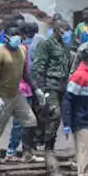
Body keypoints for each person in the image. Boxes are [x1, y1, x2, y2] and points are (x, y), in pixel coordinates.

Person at [0, 25, 38, 164]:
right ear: (7, 37)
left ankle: (27, 153)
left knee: (30, 120)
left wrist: (36, 89)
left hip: (16, 93)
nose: (17, 37)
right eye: (13, 35)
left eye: (18, 34)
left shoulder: (22, 50)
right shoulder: (0, 52)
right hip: (2, 95)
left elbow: (25, 73)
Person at [32, 19, 71, 152]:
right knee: (54, 114)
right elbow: (38, 67)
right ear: (55, 29)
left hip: (62, 86)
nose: (66, 33)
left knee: (55, 118)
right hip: (50, 85)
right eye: (63, 30)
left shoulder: (65, 47)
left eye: (67, 30)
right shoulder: (46, 44)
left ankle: (49, 146)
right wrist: (42, 89)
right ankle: (47, 146)